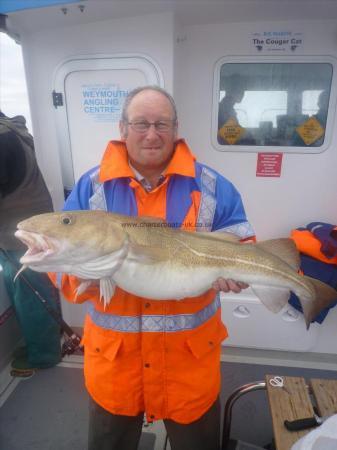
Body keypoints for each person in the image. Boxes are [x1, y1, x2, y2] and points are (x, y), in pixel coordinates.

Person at [50, 86, 255, 450]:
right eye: (141, 123)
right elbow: (60, 265)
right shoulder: (91, 189)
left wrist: (234, 275)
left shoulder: (212, 187)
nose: (151, 133)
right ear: (122, 128)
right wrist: (84, 275)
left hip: (188, 367)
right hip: (115, 366)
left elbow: (243, 248)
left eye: (162, 124)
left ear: (176, 129)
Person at [0, 111, 62, 374]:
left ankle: (45, 354)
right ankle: (44, 342)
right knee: (29, 290)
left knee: (30, 295)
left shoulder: (3, 139)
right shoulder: (11, 130)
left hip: (21, 231)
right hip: (23, 225)